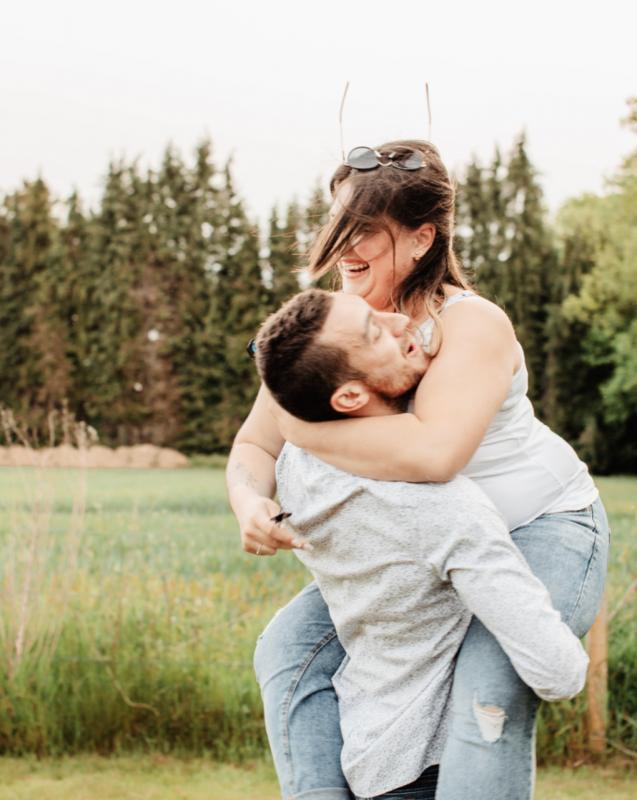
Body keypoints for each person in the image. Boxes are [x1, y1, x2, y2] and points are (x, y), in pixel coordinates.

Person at [226, 140, 609, 800]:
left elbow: (435, 456)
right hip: (422, 548)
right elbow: (252, 450)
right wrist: (249, 504)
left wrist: (298, 425)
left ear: (420, 238)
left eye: (365, 232)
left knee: (488, 684)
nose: (345, 247)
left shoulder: (469, 324)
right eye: (338, 226)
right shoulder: (332, 327)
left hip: (535, 530)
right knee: (288, 649)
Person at [251, 287, 588, 800]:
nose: (398, 321)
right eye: (373, 331)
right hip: (430, 764)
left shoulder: (300, 471)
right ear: (347, 398)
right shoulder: (446, 512)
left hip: (364, 748)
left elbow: (272, 436)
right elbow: (559, 673)